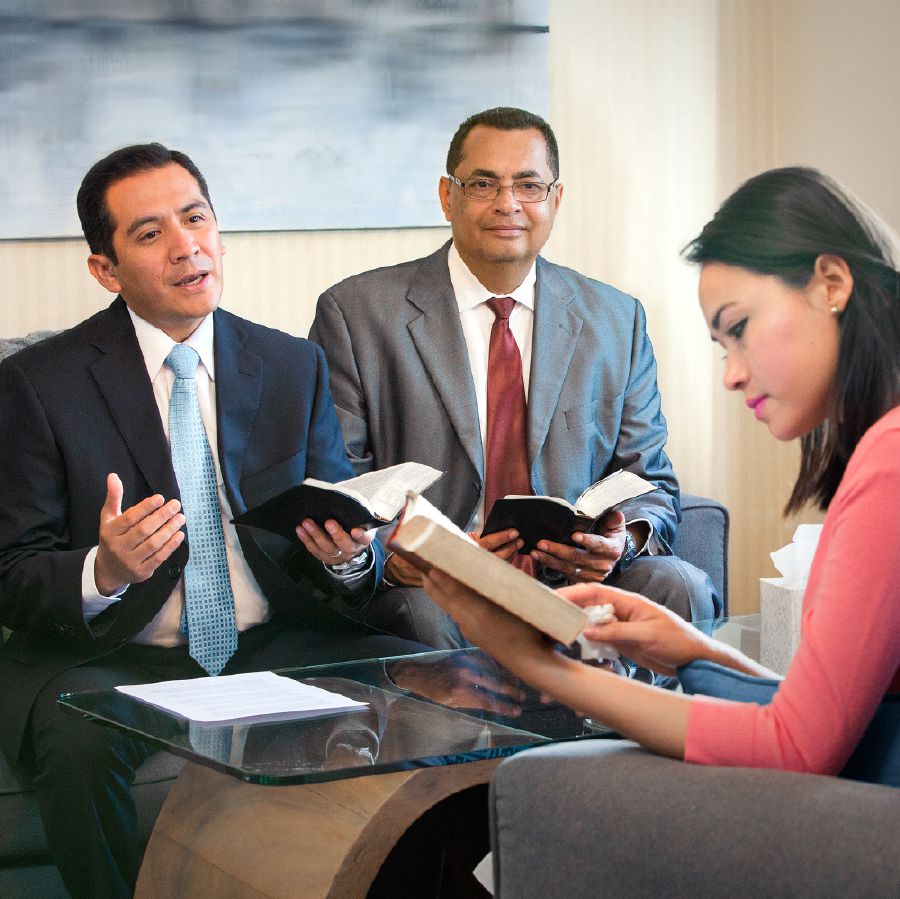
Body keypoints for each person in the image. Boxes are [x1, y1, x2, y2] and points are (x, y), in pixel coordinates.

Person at [0, 143, 427, 898]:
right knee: (76, 741)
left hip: (273, 641)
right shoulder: (37, 385)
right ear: (105, 269)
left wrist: (346, 556)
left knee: (424, 674)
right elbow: (13, 572)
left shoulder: (291, 365)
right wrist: (103, 570)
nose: (185, 245)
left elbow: (339, 527)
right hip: (120, 654)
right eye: (150, 233)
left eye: (195, 218)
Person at [422, 165, 900, 779]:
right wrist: (688, 651)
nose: (731, 374)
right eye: (722, 347)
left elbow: (795, 747)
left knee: (539, 783)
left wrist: (535, 661)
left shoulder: (888, 462)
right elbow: (822, 717)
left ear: (831, 283)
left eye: (740, 329)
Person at [309, 106, 720, 649]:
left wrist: (623, 541)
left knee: (680, 586)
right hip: (438, 587)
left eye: (529, 185)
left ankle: (633, 709)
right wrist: (407, 551)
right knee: (423, 614)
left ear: (556, 199)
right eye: (483, 184)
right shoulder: (357, 313)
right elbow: (340, 487)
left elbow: (650, 481)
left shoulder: (616, 320)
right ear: (447, 196)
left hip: (574, 582)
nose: (508, 203)